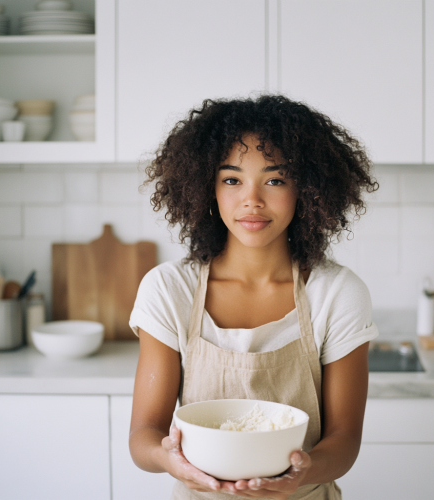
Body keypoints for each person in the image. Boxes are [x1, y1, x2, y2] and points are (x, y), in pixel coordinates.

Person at [129, 94, 379, 499]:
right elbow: (144, 435)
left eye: (275, 180)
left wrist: (303, 471)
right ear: (206, 188)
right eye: (232, 179)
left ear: (308, 190)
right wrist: (167, 459)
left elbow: (345, 440)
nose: (252, 199)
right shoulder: (169, 290)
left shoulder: (337, 293)